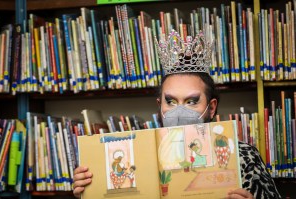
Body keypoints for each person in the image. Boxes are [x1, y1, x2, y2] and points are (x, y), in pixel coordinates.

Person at [73, 30, 281, 199]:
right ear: (159, 105)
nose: (179, 111)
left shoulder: (244, 155)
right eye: (170, 101)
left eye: (192, 101)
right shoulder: (138, 153)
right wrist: (90, 189)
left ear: (212, 107)